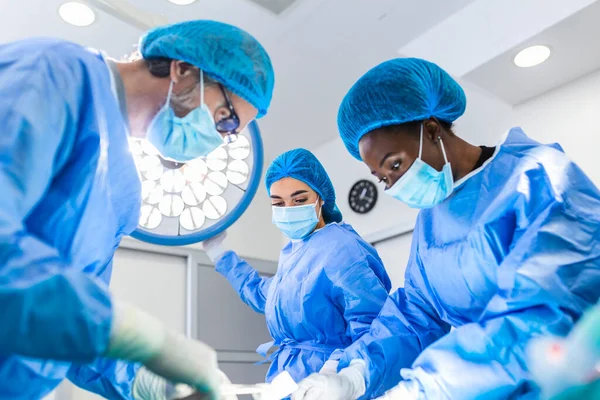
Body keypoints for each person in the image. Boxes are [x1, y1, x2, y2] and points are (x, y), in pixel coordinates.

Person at [292, 58, 600, 400]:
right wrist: (355, 372)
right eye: (383, 178)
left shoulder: (539, 177)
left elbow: (543, 314)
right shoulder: (431, 220)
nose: (394, 183)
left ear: (432, 129)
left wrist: (424, 389)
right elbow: (416, 314)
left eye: (395, 164)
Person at [0, 19, 274, 400]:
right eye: (225, 119)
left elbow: (80, 327)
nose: (216, 141)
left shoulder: (122, 191)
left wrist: (152, 382)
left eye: (229, 136)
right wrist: (139, 335)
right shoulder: (52, 74)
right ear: (183, 69)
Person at [202, 149, 392, 389]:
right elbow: (262, 294)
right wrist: (218, 252)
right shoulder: (294, 253)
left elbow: (374, 327)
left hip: (330, 385)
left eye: (299, 200)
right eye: (278, 203)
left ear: (320, 197)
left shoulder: (342, 248)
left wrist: (340, 370)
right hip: (289, 381)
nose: (289, 209)